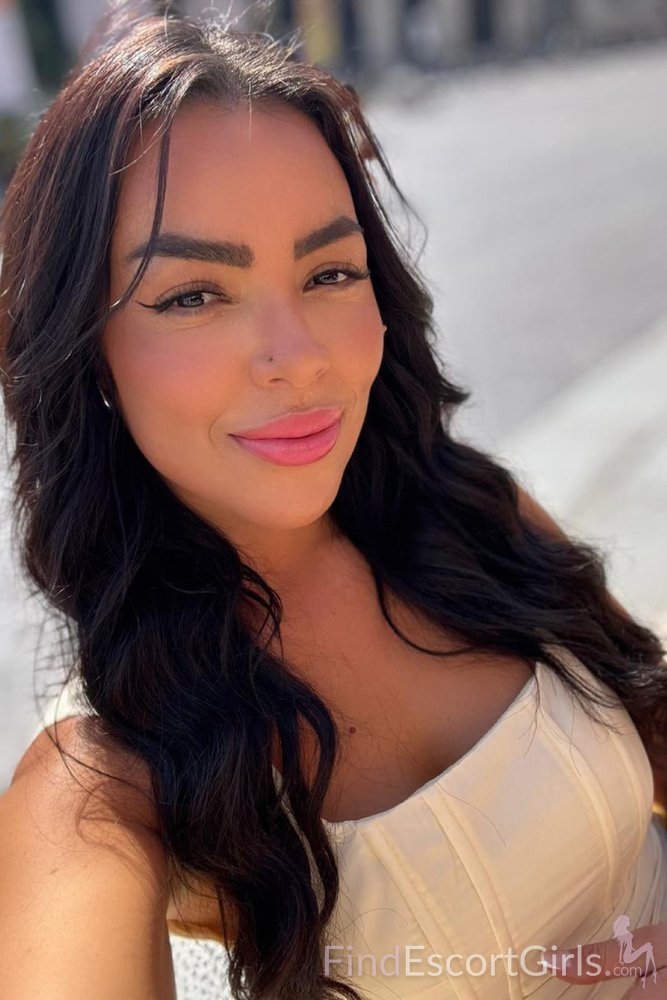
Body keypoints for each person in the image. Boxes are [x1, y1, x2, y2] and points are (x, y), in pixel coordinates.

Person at [0, 6, 665, 999]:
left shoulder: (472, 515)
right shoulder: (100, 778)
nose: (298, 356)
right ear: (86, 349)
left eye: (329, 272)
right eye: (192, 295)